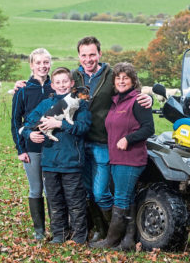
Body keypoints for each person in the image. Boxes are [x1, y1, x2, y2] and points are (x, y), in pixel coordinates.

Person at [71, 36, 153, 242]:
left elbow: (130, 88)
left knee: (102, 192)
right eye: (84, 55)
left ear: (99, 54)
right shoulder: (74, 76)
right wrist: (24, 85)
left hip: (104, 142)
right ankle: (100, 229)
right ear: (79, 56)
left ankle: (113, 232)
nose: (88, 59)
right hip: (80, 142)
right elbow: (56, 89)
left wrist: (147, 97)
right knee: (89, 191)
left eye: (92, 54)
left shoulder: (110, 75)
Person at [21, 67, 92, 244]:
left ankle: (78, 237)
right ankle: (59, 234)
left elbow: (83, 128)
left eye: (65, 82)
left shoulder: (81, 105)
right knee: (54, 200)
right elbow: (29, 123)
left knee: (75, 201)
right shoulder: (46, 104)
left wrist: (59, 124)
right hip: (50, 161)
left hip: (71, 161)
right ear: (52, 85)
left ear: (72, 84)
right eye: (58, 82)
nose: (61, 85)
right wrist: (29, 134)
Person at [90, 62, 154, 250]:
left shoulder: (138, 101)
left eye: (125, 78)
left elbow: (149, 128)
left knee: (120, 199)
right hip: (117, 158)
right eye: (118, 78)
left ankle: (111, 240)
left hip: (130, 159)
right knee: (129, 199)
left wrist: (128, 139)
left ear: (133, 81)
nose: (121, 81)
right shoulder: (117, 101)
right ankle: (127, 240)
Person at [11, 48, 53, 240]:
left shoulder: (57, 87)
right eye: (38, 63)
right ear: (31, 65)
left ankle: (58, 228)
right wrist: (21, 148)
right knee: (36, 188)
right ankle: (39, 230)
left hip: (55, 148)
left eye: (46, 62)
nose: (42, 66)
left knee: (53, 189)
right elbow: (15, 122)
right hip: (32, 148)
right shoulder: (23, 91)